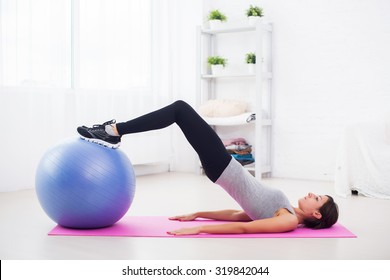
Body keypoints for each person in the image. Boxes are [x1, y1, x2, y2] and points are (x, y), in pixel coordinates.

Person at [77, 100, 339, 236]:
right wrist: (198, 214)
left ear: (317, 215)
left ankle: (113, 131)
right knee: (180, 110)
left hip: (224, 167)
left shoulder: (289, 220)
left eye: (316, 199)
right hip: (226, 165)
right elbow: (241, 216)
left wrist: (201, 229)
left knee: (180, 109)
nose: (310, 194)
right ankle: (113, 131)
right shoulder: (286, 211)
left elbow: (244, 230)